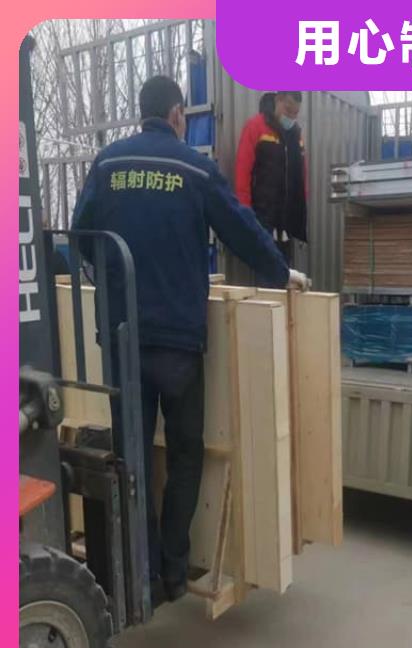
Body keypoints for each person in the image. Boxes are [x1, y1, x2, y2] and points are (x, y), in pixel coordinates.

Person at [72, 75, 308, 606]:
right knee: (184, 455)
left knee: (131, 457)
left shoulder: (107, 164)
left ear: (142, 112)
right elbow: (240, 227)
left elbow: (80, 233)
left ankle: (141, 573)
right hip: (178, 342)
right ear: (177, 114)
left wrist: (110, 280)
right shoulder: (193, 168)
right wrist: (280, 271)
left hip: (123, 340)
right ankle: (174, 572)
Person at [235, 91, 307, 272]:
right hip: (263, 219)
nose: (291, 117)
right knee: (267, 275)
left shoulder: (296, 134)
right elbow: (243, 172)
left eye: (295, 113)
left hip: (287, 221)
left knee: (286, 273)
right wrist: (246, 215)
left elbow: (301, 174)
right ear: (278, 100)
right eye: (288, 110)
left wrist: (301, 207)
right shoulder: (256, 127)